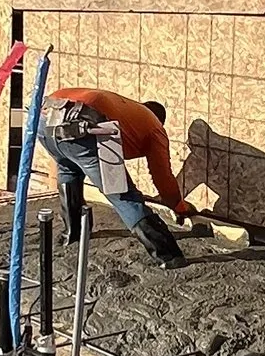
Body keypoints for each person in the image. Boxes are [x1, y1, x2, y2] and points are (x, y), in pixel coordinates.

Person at [46, 88, 189, 270]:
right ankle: (169, 256)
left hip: (47, 118)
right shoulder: (155, 127)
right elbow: (163, 177)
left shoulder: (130, 112)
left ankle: (73, 233)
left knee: (68, 169)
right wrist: (178, 206)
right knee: (122, 195)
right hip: (84, 122)